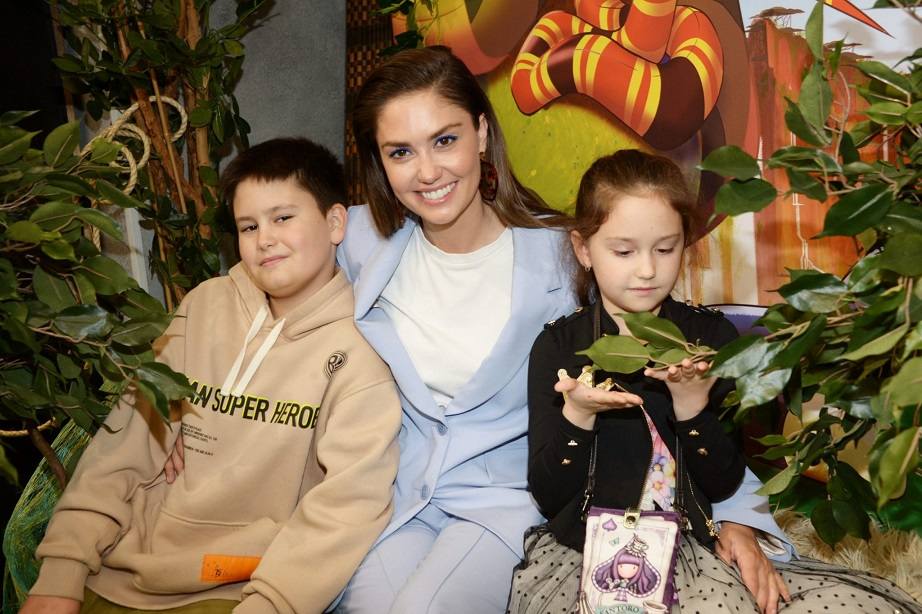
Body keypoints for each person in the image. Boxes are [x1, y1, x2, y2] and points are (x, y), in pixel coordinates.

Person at [332, 46, 794, 614]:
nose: (427, 172)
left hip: (509, 501)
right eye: (401, 152)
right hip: (402, 499)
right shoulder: (359, 240)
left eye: (445, 140)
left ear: (482, 133)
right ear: (379, 162)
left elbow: (671, 370)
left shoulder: (564, 254)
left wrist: (737, 515)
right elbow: (253, 282)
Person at [515, 149, 921, 614]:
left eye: (665, 248)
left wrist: (692, 408)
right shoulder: (558, 348)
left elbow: (726, 481)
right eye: (623, 251)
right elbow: (549, 495)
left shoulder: (710, 337)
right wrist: (578, 415)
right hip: (590, 549)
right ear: (584, 249)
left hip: (693, 540)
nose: (647, 269)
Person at [20, 138, 402, 614]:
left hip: (244, 588)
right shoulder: (204, 304)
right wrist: (62, 572)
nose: (264, 239)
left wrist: (273, 604)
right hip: (124, 566)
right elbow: (126, 443)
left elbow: (349, 503)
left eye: (283, 218)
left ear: (335, 222)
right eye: (249, 226)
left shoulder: (362, 347)